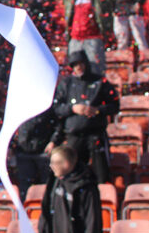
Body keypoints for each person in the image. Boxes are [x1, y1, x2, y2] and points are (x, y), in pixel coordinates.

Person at [46, 51, 118, 183]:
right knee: (72, 172)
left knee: (101, 172)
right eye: (75, 65)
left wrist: (97, 110)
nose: (78, 67)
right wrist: (73, 108)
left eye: (80, 64)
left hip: (95, 134)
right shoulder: (66, 83)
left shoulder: (100, 82)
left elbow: (115, 105)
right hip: (74, 135)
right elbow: (56, 108)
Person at [39, 145, 102, 233]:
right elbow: (46, 208)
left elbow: (92, 223)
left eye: (55, 163)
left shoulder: (86, 186)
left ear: (67, 163)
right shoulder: (54, 179)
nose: (51, 166)